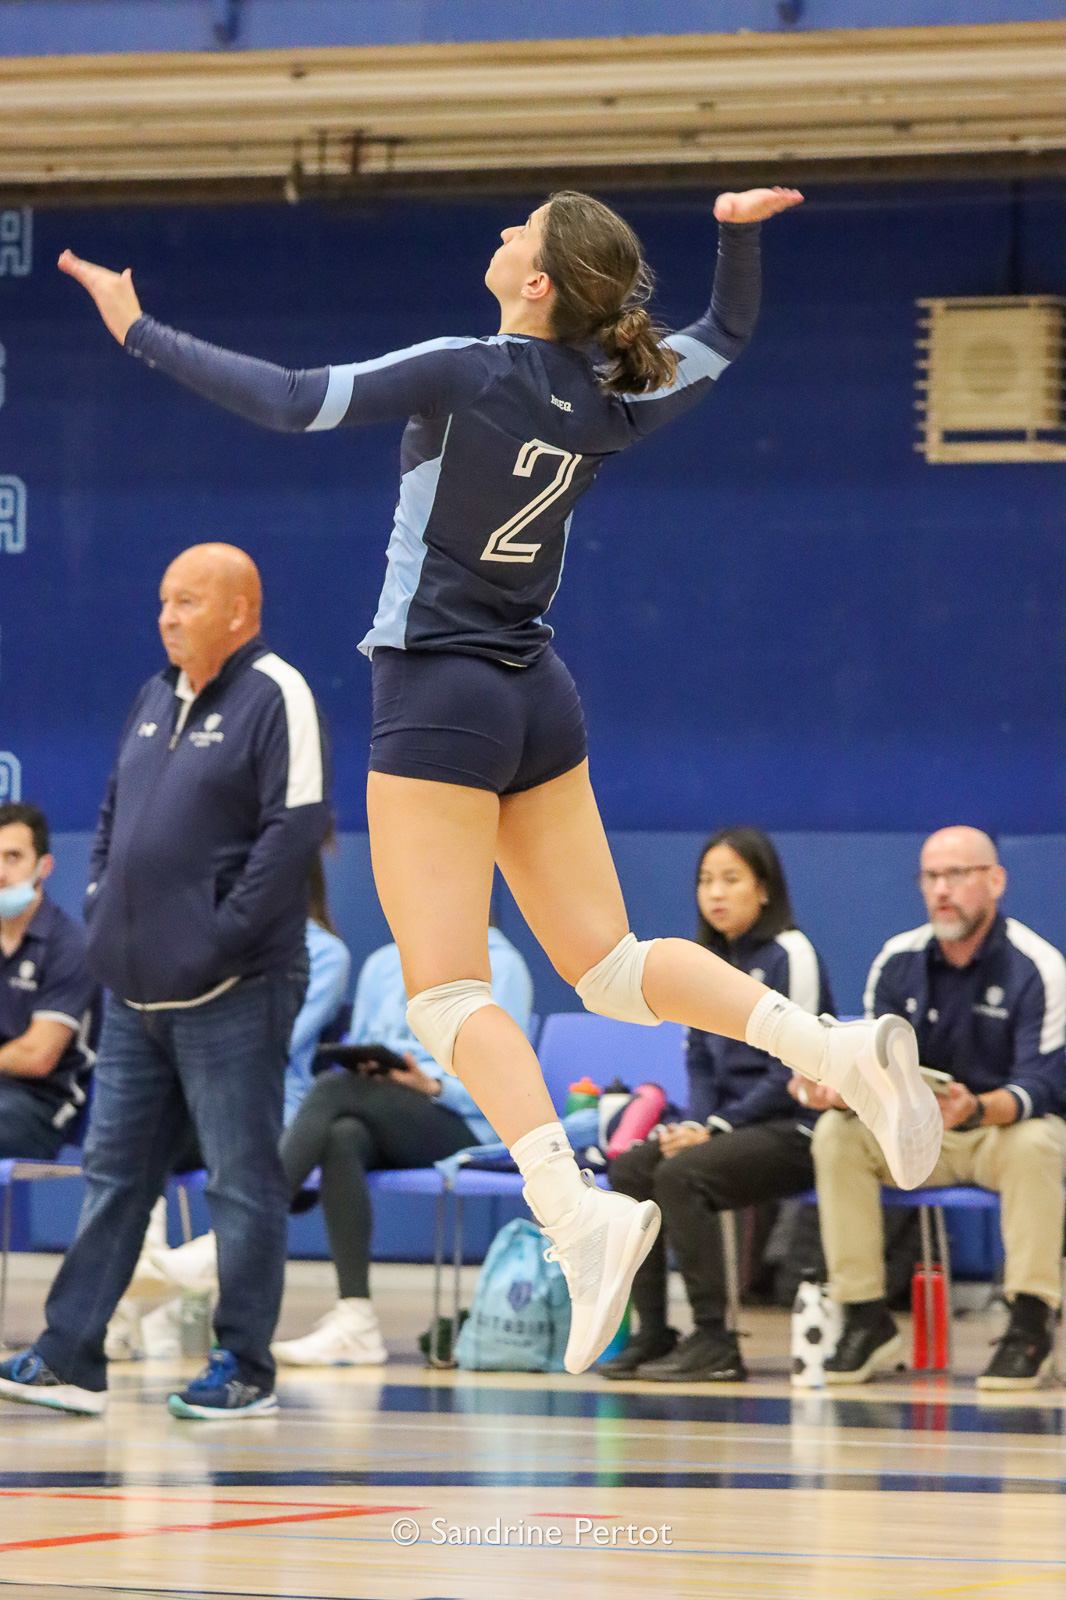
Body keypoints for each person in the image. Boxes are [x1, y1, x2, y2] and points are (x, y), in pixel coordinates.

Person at [42, 187, 940, 1380]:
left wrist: (136, 329)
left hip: (435, 695)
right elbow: (723, 340)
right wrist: (734, 238)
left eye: (520, 229)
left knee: (441, 993)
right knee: (612, 965)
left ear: (537, 287)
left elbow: (288, 399)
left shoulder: (466, 368)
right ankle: (826, 1047)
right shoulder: (611, 393)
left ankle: (577, 1213)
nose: (502, 234)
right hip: (534, 688)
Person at [0, 543, 329, 1418]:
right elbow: (113, 818)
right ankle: (70, 1353)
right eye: (163, 602)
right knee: (112, 1176)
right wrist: (104, 907)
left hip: (236, 990)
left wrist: (217, 939)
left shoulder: (277, 695)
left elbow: (293, 836)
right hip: (137, 993)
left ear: (241, 612)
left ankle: (244, 1365)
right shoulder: (154, 696)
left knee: (240, 1182)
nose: (167, 618)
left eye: (187, 603)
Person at [801, 826, 1066, 1388]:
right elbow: (870, 1063)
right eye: (931, 876)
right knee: (835, 1133)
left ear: (995, 881)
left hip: (996, 1131)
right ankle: (866, 1316)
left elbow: (1043, 1085)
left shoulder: (1037, 967)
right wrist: (839, 1090)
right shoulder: (897, 961)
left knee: (1040, 1141)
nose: (941, 889)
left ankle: (1029, 1323)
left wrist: (975, 1108)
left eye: (957, 874)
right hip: (916, 1131)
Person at [601, 829, 832, 1381]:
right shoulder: (701, 961)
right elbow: (701, 1064)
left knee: (683, 1175)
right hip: (727, 1129)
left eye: (731, 879)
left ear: (765, 889)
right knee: (631, 1166)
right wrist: (700, 1124)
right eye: (706, 881)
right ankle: (653, 1330)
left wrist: (716, 1127)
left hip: (793, 1127)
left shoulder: (791, 955)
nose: (715, 893)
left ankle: (715, 1340)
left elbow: (793, 1071)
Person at [105, 844, 351, 1353]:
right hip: (198, 1097)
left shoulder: (325, 952)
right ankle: (125, 1299)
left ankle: (172, 1275)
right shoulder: (215, 937)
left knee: (240, 1165)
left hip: (274, 1103)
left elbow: (277, 1035)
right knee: (141, 1145)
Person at [271, 923, 532, 1365]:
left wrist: (431, 1085)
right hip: (388, 1104)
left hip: (465, 1120)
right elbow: (363, 1040)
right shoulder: (383, 963)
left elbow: (506, 1076)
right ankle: (356, 1320)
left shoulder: (502, 966)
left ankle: (243, 1228)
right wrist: (373, 1068)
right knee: (342, 1135)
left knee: (333, 1092)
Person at [0, 802, 97, 1158]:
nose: (0, 872)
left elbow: (38, 1055)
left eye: (13, 858)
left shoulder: (70, 945)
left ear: (44, 867)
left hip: (43, 1106)